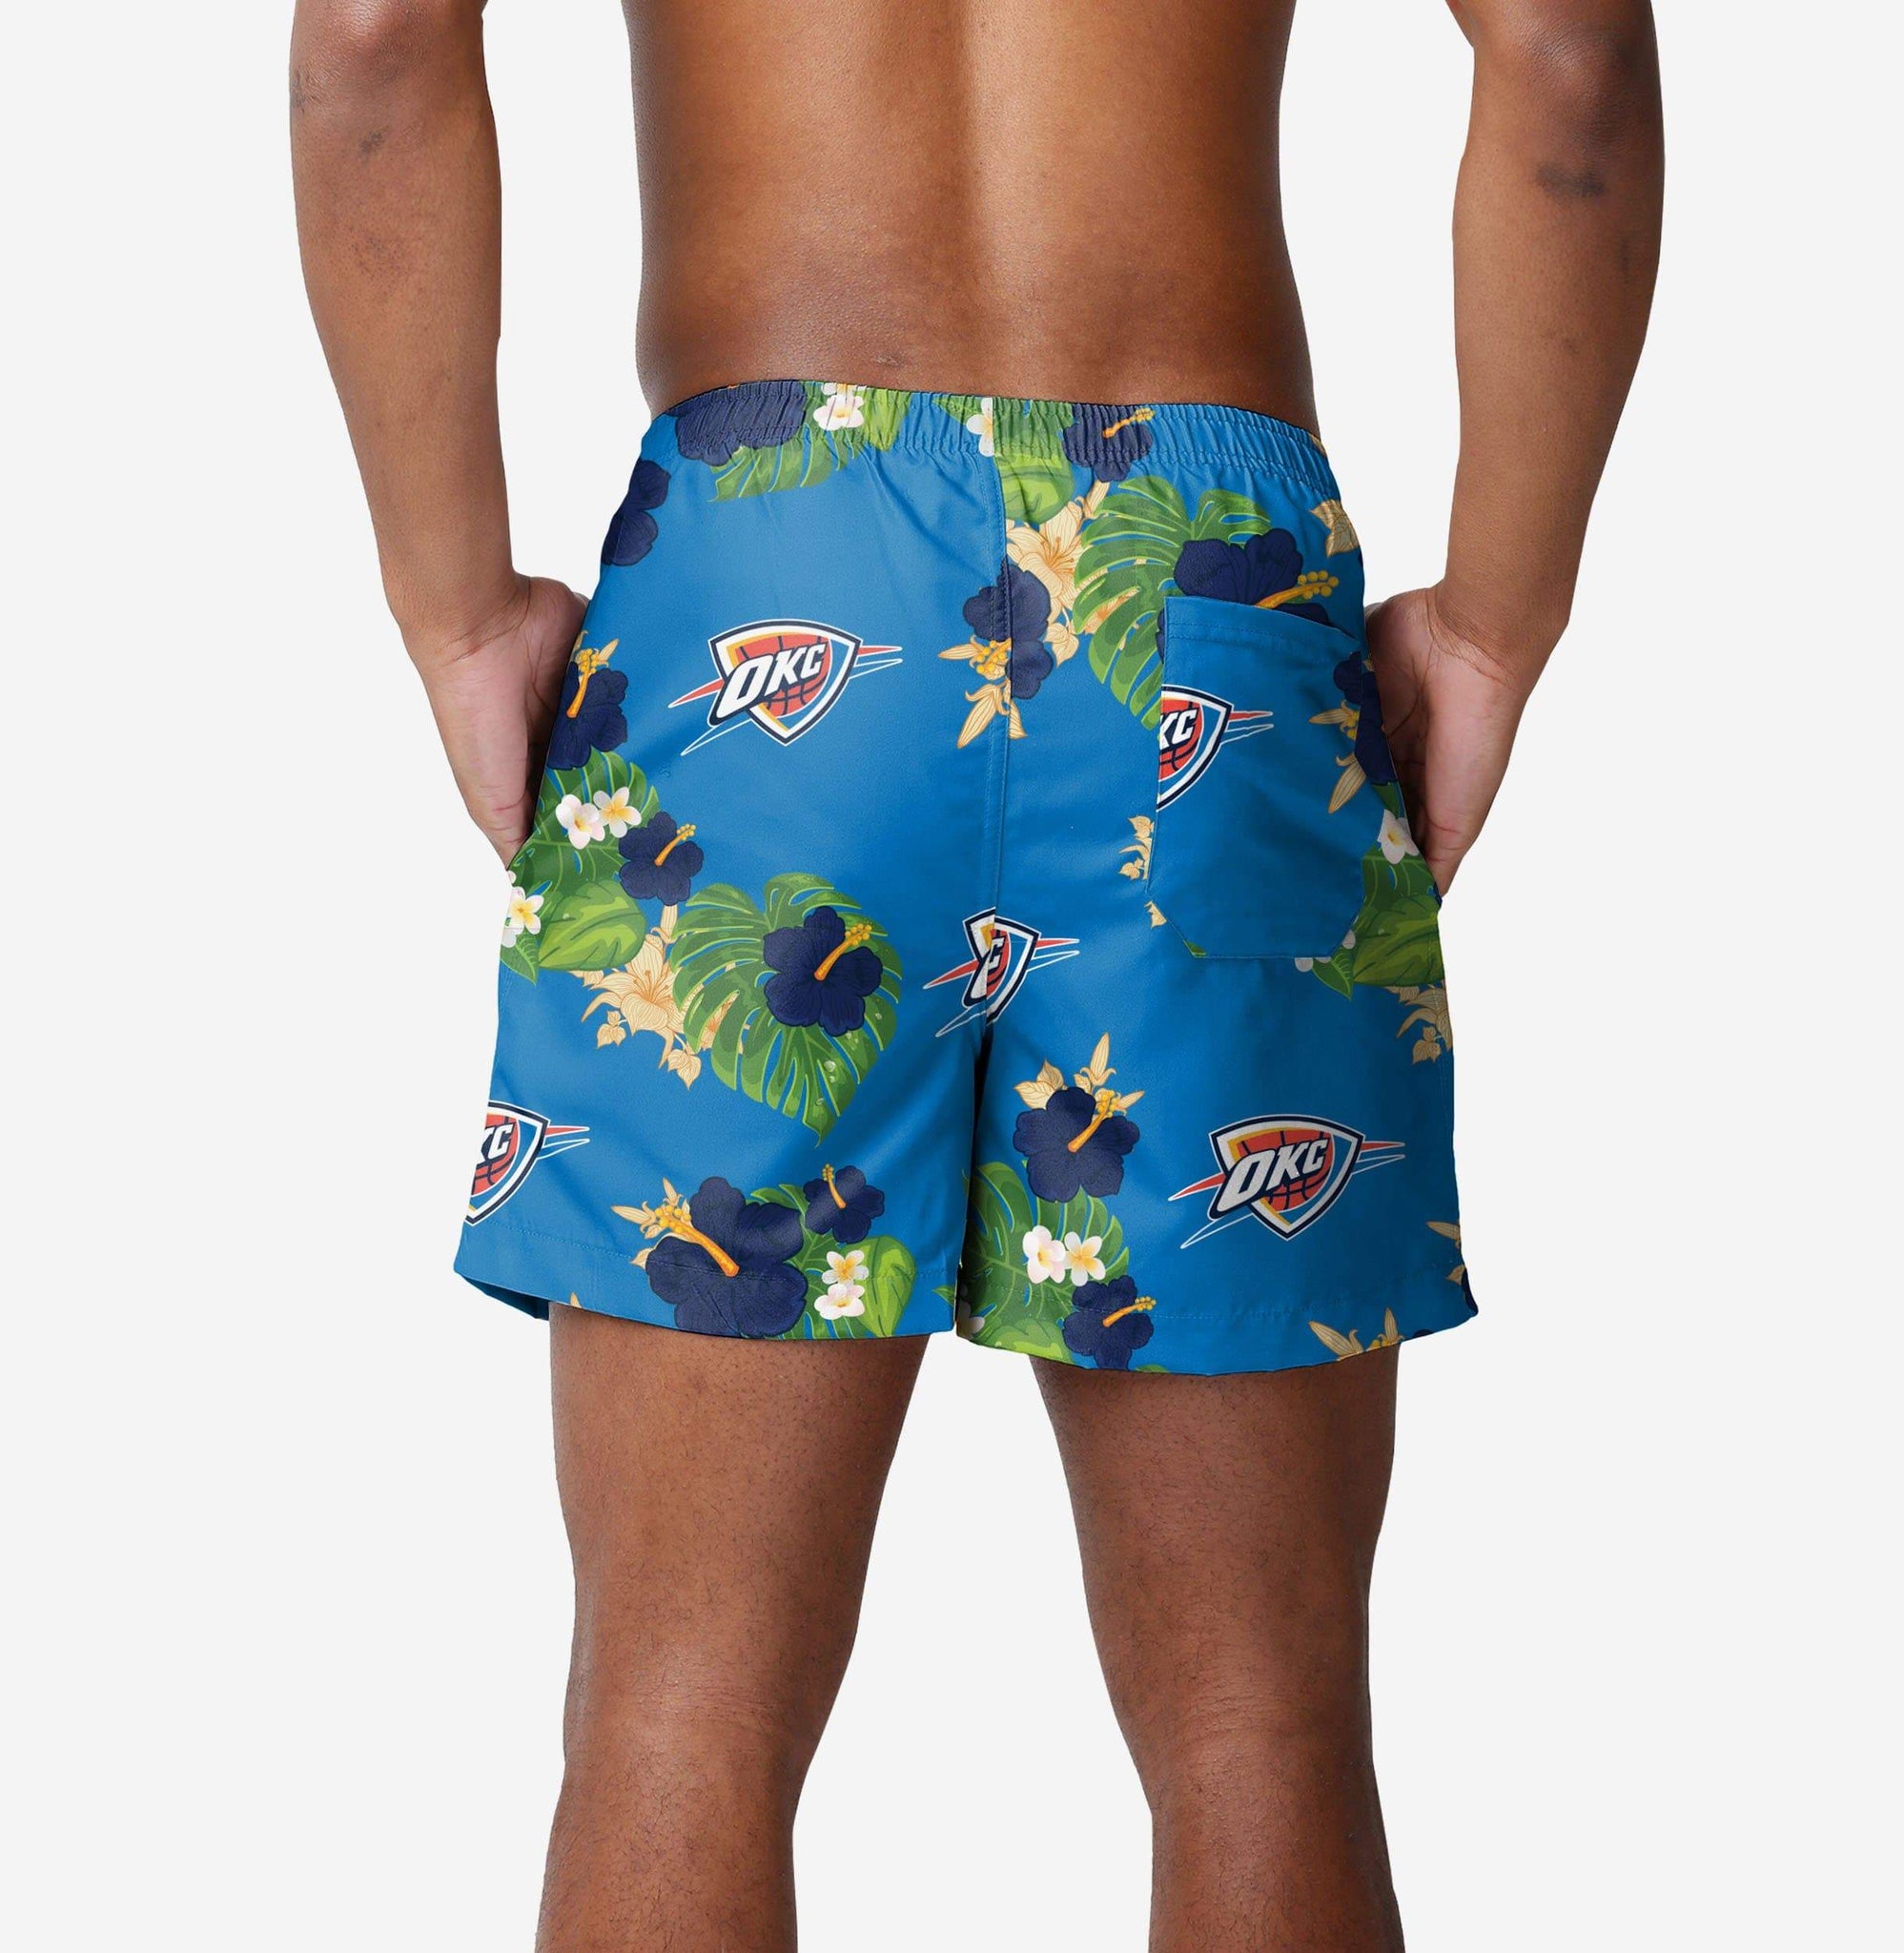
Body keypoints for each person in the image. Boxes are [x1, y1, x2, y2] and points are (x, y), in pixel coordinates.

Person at [292, 0, 1660, 1943]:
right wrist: (1499, 627)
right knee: (1257, 1732)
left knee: (681, 1705)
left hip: (767, 590)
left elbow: (371, 36)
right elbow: (1566, 54)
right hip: (1201, 610)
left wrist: (450, 607)